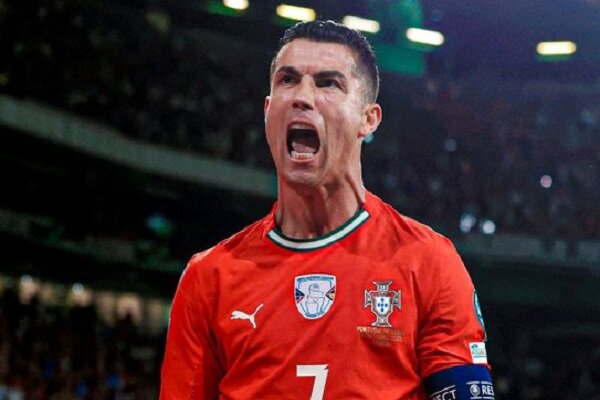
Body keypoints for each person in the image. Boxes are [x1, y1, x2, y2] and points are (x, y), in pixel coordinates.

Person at [160, 20, 494, 400]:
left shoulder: (429, 262)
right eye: (288, 80)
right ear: (268, 111)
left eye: (327, 83)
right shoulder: (207, 279)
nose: (302, 97)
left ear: (368, 119)